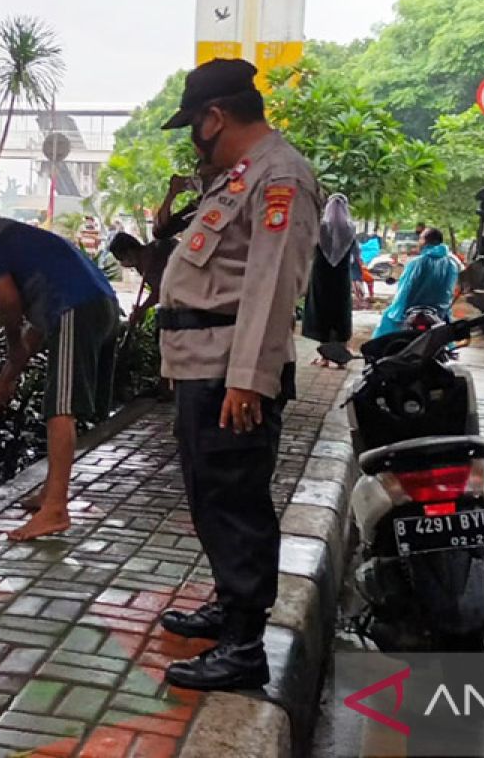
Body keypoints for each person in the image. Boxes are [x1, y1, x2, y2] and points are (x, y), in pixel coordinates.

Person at [155, 58, 320, 691]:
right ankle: (230, 608)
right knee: (212, 496)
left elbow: (271, 283)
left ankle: (245, 647)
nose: (196, 139)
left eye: (195, 126)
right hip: (206, 366)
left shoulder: (277, 175)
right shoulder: (240, 177)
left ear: (214, 117)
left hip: (231, 374)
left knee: (235, 502)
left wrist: (249, 379)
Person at [0, 199, 122, 540]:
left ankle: (56, 509)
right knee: (61, 400)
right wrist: (8, 376)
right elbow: (37, 330)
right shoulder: (23, 239)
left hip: (77, 309)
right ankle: (49, 494)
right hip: (101, 307)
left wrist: (11, 343)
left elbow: (8, 301)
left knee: (59, 407)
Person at [374, 227, 459, 337]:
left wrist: (396, 312)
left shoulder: (417, 263)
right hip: (439, 313)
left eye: (420, 239)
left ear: (424, 241)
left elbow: (404, 291)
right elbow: (450, 291)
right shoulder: (452, 264)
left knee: (387, 326)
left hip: (413, 312)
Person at [302, 194, 355, 367]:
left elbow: (308, 249)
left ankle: (324, 358)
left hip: (321, 276)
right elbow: (356, 256)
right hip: (341, 276)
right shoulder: (350, 228)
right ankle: (342, 361)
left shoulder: (320, 227)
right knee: (341, 313)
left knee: (321, 312)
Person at [108, 231, 178, 326]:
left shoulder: (150, 260)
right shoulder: (144, 260)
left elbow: (159, 291)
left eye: (121, 258)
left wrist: (141, 310)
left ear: (129, 252)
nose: (122, 263)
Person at [153, 162, 224, 240]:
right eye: (201, 178)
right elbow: (160, 231)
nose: (205, 183)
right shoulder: (197, 206)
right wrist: (172, 193)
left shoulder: (227, 201)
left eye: (210, 177)